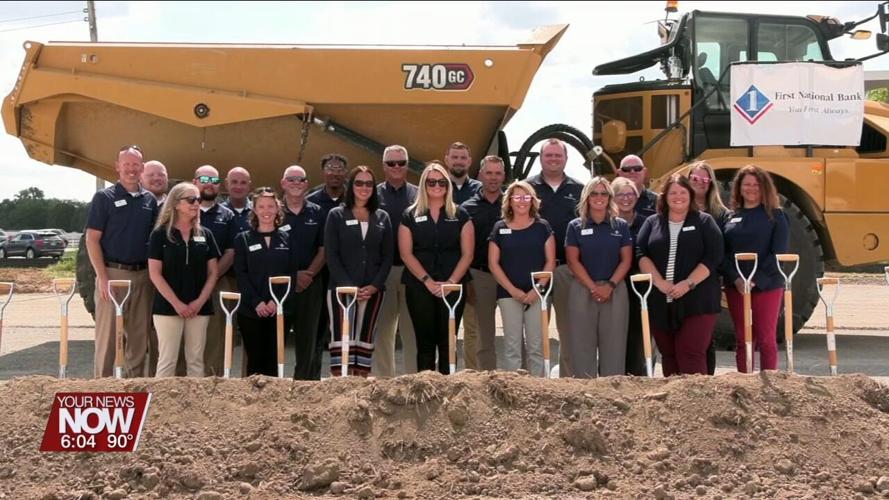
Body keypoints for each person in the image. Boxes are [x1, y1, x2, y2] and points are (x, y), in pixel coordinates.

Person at [637, 175, 724, 376]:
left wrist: (688, 283)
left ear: (690, 195)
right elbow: (640, 253)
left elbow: (714, 255)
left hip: (698, 301)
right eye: (673, 192)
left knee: (690, 352)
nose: (678, 197)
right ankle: (674, 403)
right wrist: (660, 283)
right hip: (661, 301)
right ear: (665, 196)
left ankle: (696, 403)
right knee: (669, 355)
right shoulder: (652, 222)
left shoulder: (704, 221)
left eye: (683, 192)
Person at [85, 145, 159, 378]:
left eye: (135, 165)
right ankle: (103, 387)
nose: (131, 169)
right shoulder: (104, 198)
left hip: (142, 276)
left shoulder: (150, 201)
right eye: (126, 164)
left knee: (138, 338)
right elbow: (92, 239)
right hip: (113, 274)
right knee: (108, 337)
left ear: (142, 167)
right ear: (117, 166)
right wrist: (102, 277)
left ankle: (133, 387)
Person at [400, 162, 474, 374]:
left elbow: (467, 253)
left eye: (442, 181)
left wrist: (451, 282)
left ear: (448, 185)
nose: (437, 185)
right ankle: (426, 392)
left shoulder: (460, 214)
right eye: (431, 181)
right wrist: (428, 282)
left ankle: (448, 392)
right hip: (419, 287)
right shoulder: (410, 215)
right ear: (424, 184)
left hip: (452, 287)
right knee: (424, 342)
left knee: (448, 341)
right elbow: (406, 253)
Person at [324, 166, 393, 377]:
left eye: (369, 183)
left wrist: (374, 286)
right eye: (359, 183)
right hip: (341, 290)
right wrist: (349, 287)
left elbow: (387, 256)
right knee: (342, 338)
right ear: (351, 185)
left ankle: (360, 385)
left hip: (372, 291)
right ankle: (340, 386)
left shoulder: (382, 217)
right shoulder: (336, 215)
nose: (364, 188)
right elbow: (331, 255)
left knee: (364, 339)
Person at [148, 183, 220, 377]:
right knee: (167, 361)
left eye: (198, 199)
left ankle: (197, 407)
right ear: (176, 204)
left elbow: (213, 273)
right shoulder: (160, 235)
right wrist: (177, 304)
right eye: (191, 200)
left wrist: (199, 302)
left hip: (199, 308)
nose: (197, 203)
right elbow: (155, 273)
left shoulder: (206, 234)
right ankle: (160, 406)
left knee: (196, 361)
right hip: (167, 307)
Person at [722, 165, 789, 373]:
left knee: (766, 337)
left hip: (767, 285)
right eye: (746, 184)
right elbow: (722, 254)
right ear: (739, 188)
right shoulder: (730, 217)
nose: (751, 188)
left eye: (755, 184)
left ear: (764, 188)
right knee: (743, 338)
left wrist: (755, 280)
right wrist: (737, 280)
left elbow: (778, 253)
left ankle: (769, 383)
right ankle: (745, 381)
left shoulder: (776, 216)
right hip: (737, 286)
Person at [526, 138, 583, 376]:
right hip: (536, 271)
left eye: (558, 155)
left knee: (570, 331)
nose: (553, 159)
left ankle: (568, 381)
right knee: (536, 332)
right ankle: (534, 383)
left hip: (569, 271)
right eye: (548, 155)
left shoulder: (579, 190)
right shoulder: (527, 188)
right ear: (541, 158)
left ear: (566, 159)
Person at [564, 177, 632, 378]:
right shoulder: (575, 226)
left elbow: (626, 260)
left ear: (610, 197)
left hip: (615, 289)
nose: (599, 197)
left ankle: (612, 394)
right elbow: (573, 261)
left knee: (614, 345)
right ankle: (585, 394)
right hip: (583, 289)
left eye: (604, 193)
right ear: (586, 197)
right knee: (581, 345)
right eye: (594, 193)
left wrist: (610, 285)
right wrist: (593, 287)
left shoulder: (620, 226)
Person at [488, 180, 555, 376]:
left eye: (526, 196)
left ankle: (538, 390)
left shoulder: (543, 227)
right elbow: (493, 264)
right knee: (512, 346)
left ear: (533, 200)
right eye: (517, 197)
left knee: (536, 345)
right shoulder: (500, 228)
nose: (522, 201)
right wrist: (512, 290)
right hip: (509, 295)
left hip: (538, 295)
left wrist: (538, 290)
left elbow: (550, 262)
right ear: (509, 201)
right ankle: (513, 389)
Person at [232, 187, 295, 376]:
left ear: (277, 209)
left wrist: (276, 302)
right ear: (255, 209)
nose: (266, 211)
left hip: (279, 309)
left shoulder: (287, 239)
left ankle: (273, 404)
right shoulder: (243, 239)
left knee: (274, 360)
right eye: (261, 206)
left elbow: (291, 273)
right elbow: (241, 274)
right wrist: (257, 302)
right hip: (251, 311)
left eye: (270, 206)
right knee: (255, 360)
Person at [373, 145, 418, 377]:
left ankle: (412, 380)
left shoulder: (419, 194)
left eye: (401, 162)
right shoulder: (373, 194)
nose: (397, 167)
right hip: (384, 272)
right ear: (384, 166)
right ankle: (384, 381)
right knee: (383, 332)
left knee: (412, 331)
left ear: (407, 165)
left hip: (413, 273)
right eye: (392, 163)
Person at [280, 165, 327, 380]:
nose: (296, 184)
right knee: (277, 339)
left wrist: (307, 274)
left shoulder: (317, 212)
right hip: (279, 286)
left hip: (311, 285)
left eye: (300, 180)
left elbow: (324, 249)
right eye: (291, 179)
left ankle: (304, 387)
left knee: (308, 341)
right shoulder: (274, 211)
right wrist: (293, 276)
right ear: (283, 183)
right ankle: (275, 387)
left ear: (307, 185)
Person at [460, 155, 506, 371]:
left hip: (510, 277)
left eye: (498, 173)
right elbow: (461, 249)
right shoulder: (467, 208)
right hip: (478, 276)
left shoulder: (513, 205)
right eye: (489, 173)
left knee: (516, 331)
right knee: (480, 334)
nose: (493, 178)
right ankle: (480, 378)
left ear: (503, 176)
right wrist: (466, 280)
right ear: (480, 175)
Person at [193, 165, 238, 376]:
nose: (209, 184)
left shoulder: (227, 215)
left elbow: (230, 251)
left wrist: (211, 279)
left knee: (215, 337)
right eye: (204, 179)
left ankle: (213, 380)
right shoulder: (181, 210)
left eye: (214, 180)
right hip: (184, 284)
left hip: (218, 282)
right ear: (195, 182)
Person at [686, 160, 729, 375]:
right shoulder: (679, 207)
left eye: (705, 179)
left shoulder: (720, 214)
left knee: (705, 337)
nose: (700, 183)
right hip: (681, 281)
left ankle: (707, 381)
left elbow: (722, 250)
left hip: (707, 283)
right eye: (695, 178)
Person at [307, 153, 348, 379]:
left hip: (347, 275)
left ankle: (342, 378)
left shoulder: (353, 199)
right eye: (331, 168)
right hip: (319, 276)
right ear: (323, 172)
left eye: (340, 168)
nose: (335, 172)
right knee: (317, 329)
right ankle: (313, 379)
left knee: (344, 329)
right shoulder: (312, 201)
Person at [445, 142, 482, 368]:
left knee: (472, 330)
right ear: (447, 159)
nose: (458, 161)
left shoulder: (479, 189)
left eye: (463, 158)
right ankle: (445, 374)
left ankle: (471, 376)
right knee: (445, 328)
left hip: (474, 269)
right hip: (444, 269)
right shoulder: (436, 185)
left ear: (469, 161)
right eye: (454, 157)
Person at [611, 176, 649, 376]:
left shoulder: (647, 223)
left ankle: (638, 377)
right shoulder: (607, 223)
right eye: (621, 194)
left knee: (637, 337)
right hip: (614, 285)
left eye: (631, 194)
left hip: (640, 287)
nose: (626, 198)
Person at [140, 160, 169, 376]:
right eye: (151, 175)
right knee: (139, 332)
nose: (157, 179)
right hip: (140, 274)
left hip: (169, 279)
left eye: (161, 175)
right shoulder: (138, 204)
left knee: (164, 336)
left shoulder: (175, 205)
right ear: (142, 176)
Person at [222, 166, 253, 234]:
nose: (238, 187)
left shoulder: (259, 211)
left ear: (249, 186)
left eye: (243, 183)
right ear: (226, 184)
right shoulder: (218, 213)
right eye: (234, 182)